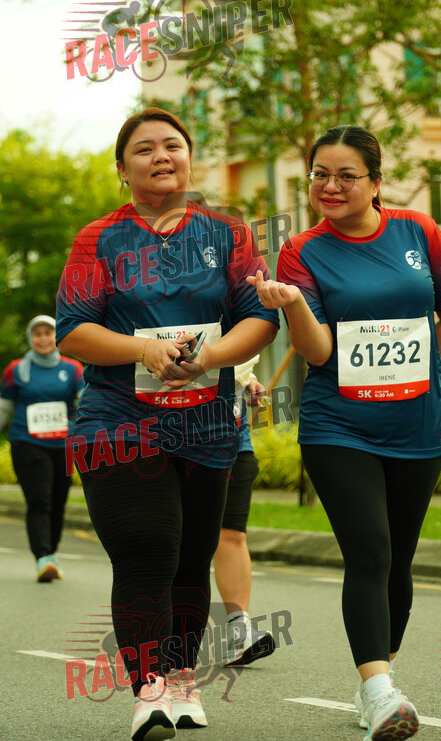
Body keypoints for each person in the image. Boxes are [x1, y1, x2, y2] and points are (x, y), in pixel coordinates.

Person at [55, 107, 278, 741]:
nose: (161, 156)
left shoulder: (230, 235)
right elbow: (73, 330)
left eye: (172, 145)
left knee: (190, 559)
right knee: (148, 547)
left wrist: (208, 357)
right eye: (144, 148)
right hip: (119, 423)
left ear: (189, 158)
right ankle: (149, 690)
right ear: (122, 169)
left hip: (207, 427)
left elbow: (260, 318)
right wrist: (142, 350)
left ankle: (181, 679)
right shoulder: (98, 240)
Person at [247, 126, 441, 741]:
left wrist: (408, 374)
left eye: (346, 175)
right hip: (339, 425)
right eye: (320, 174)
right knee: (369, 549)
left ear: (376, 182)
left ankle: (380, 679)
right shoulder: (301, 251)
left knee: (398, 557)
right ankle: (378, 691)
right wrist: (294, 303)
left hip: (416, 422)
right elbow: (318, 352)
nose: (331, 186)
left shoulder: (419, 230)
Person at [0, 315, 84, 581]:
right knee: (39, 501)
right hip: (28, 443)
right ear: (30, 338)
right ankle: (43, 556)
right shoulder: (16, 370)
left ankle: (51, 554)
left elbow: (84, 403)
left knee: (58, 502)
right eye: (38, 334)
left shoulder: (73, 369)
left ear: (57, 336)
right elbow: (3, 409)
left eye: (49, 333)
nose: (44, 339)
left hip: (63, 446)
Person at [213, 358, 276, 666]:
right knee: (178, 542)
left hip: (236, 446)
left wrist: (245, 378)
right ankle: (167, 633)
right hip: (178, 449)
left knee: (232, 535)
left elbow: (235, 355)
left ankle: (240, 632)